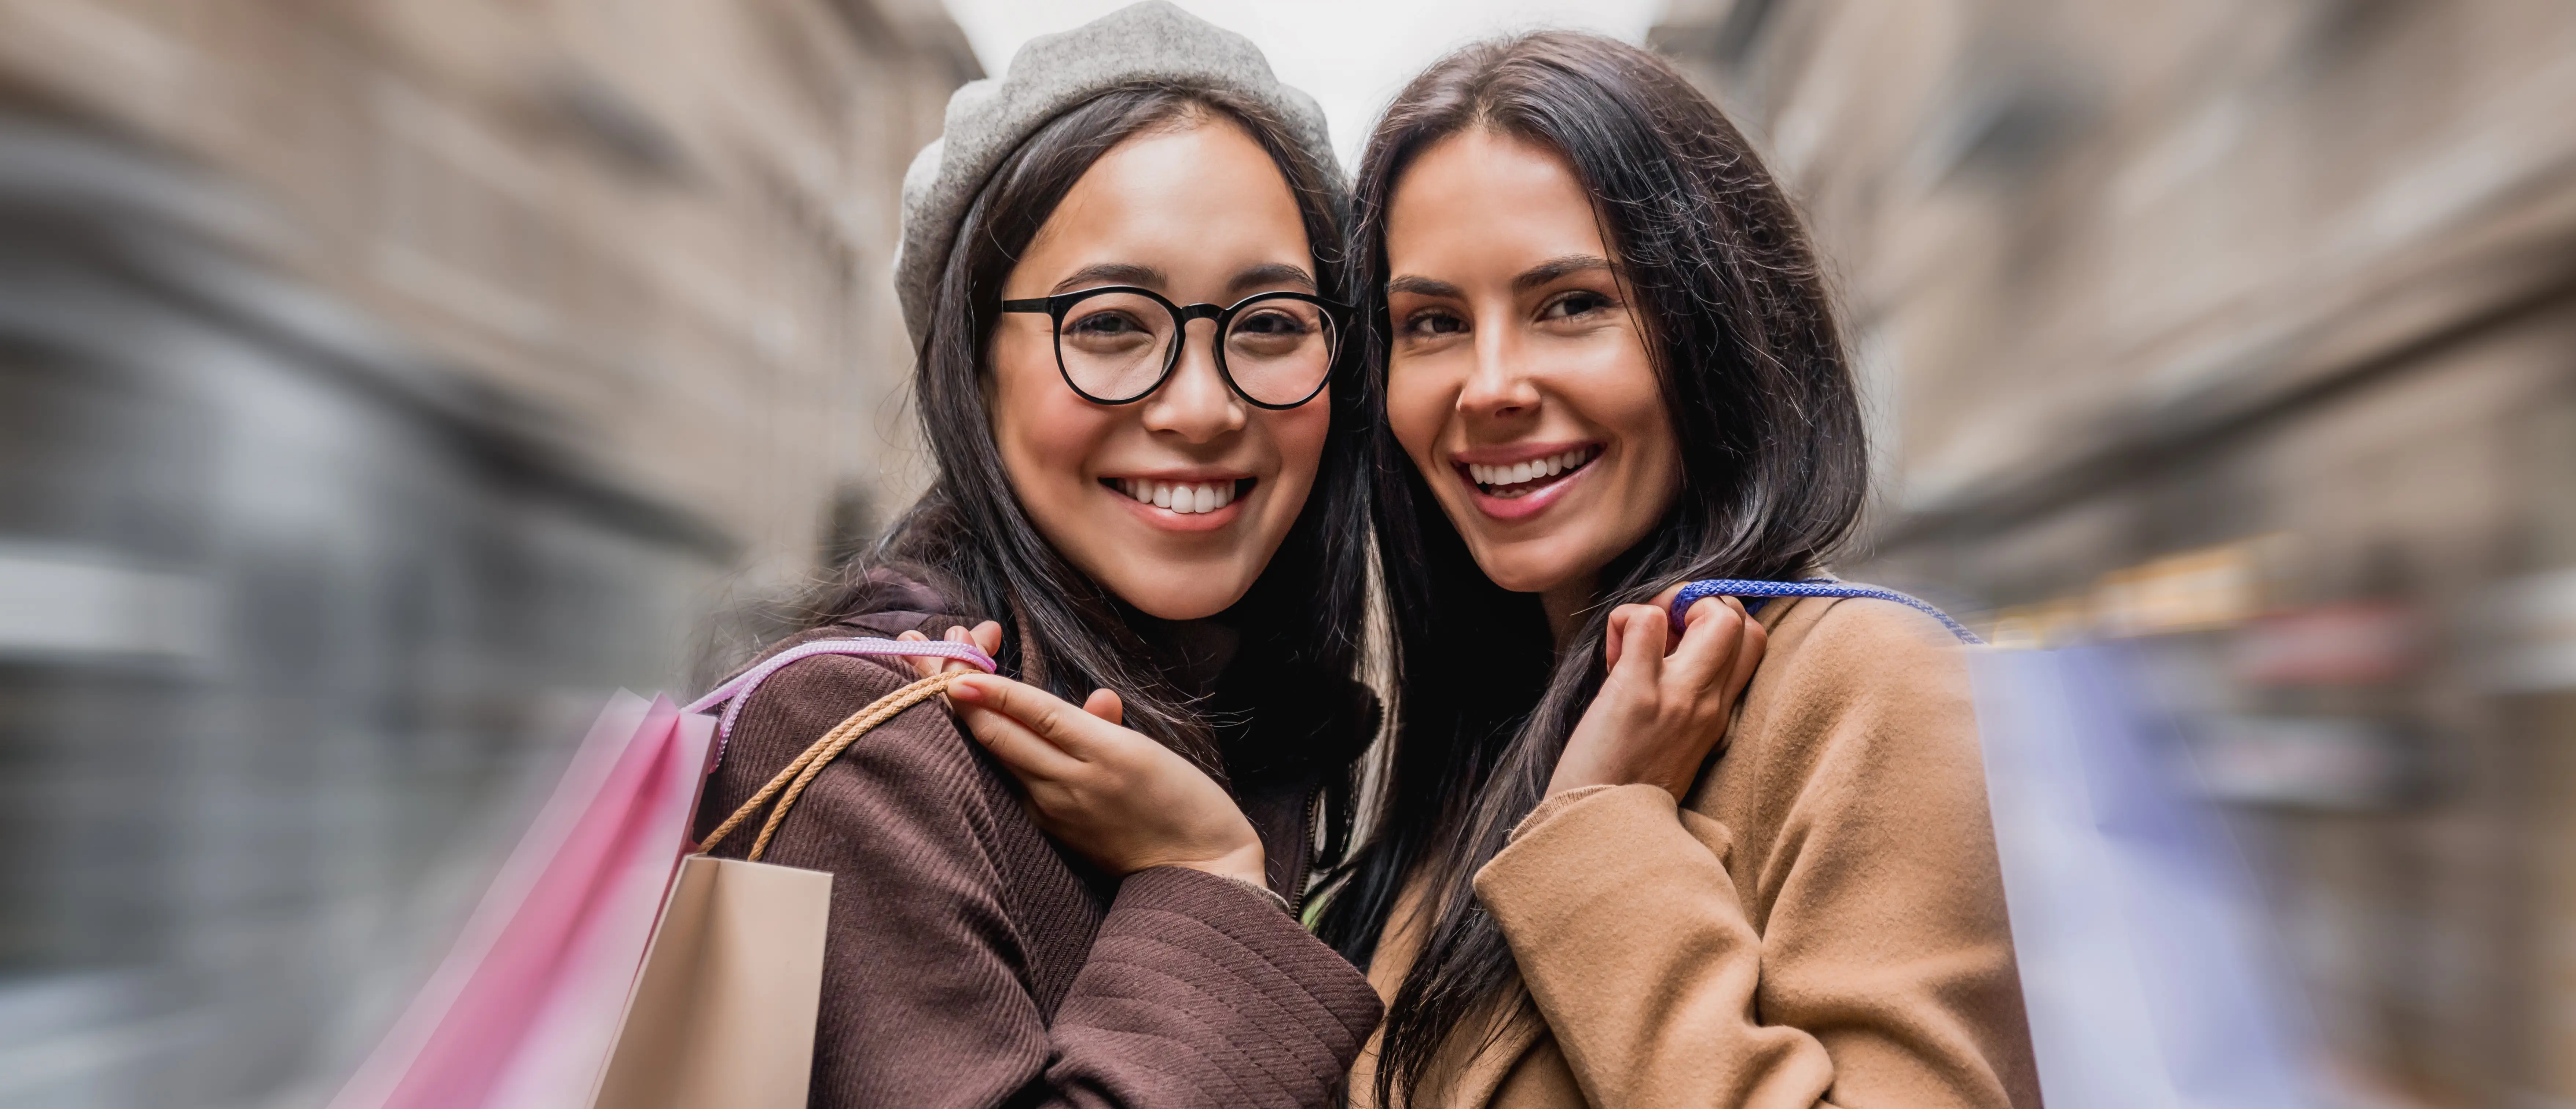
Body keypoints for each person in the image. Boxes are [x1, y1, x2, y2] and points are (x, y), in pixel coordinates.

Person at [1311, 32, 2043, 1109]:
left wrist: (1602, 834)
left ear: (1713, 329)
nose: (1491, 385)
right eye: (1433, 323)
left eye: (1572, 304)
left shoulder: (1867, 689)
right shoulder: (1480, 748)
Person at [691, 4, 1380, 1106]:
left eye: (1269, 323)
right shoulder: (859, 746)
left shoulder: (1257, 725)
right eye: (1110, 325)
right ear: (975, 368)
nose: (1202, 407)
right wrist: (1206, 885)